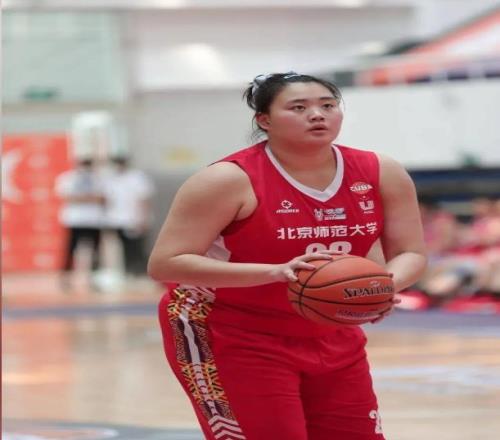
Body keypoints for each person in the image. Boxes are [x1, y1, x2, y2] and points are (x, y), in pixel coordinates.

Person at [148, 72, 427, 440]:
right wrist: (276, 272)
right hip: (229, 330)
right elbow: (166, 263)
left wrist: (380, 287)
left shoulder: (380, 171)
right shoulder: (226, 179)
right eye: (298, 107)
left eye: (328, 105)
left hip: (330, 327)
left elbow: (410, 252)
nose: (317, 114)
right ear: (264, 120)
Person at [55, 157, 105, 291]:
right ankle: (66, 278)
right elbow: (67, 197)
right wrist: (90, 198)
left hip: (94, 220)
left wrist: (82, 198)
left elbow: (102, 198)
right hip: (74, 220)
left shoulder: (98, 179)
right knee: (70, 250)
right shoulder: (68, 178)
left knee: (95, 251)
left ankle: (94, 279)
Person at [102, 155, 155, 277]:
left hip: (134, 219)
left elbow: (144, 199)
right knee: (121, 248)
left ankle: (140, 272)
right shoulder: (111, 179)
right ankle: (126, 272)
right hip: (116, 219)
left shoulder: (137, 177)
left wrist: (143, 219)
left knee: (136, 248)